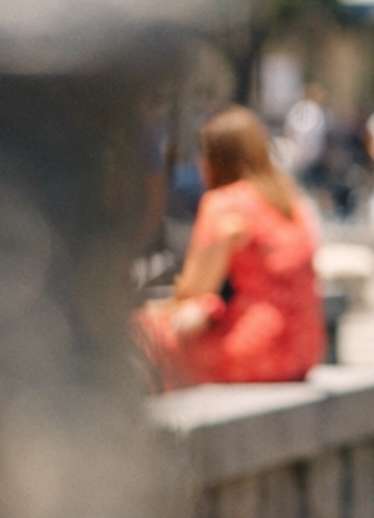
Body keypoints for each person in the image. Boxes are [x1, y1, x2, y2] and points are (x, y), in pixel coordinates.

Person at [135, 105, 323, 389]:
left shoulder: (225, 204)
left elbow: (195, 288)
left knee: (145, 329)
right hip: (306, 350)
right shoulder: (291, 199)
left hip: (256, 351)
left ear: (215, 158)